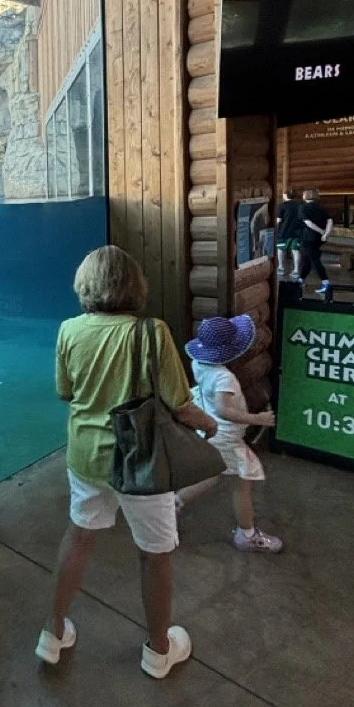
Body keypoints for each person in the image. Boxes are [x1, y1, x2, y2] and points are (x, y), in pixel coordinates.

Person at [37, 246, 218, 680]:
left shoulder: (68, 330)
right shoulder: (152, 332)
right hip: (142, 461)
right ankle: (158, 650)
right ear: (134, 285)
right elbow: (179, 403)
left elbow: (66, 392)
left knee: (79, 537)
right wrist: (210, 427)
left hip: (86, 456)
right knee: (155, 554)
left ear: (85, 285)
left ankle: (52, 632)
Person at [183, 315, 282, 553]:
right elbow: (223, 410)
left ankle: (173, 504)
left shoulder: (198, 362)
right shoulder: (223, 378)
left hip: (210, 429)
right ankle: (246, 534)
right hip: (224, 435)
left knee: (214, 476)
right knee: (241, 482)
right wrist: (257, 419)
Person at [299, 188, 334, 295]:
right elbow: (330, 221)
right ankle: (301, 279)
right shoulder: (320, 208)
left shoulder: (303, 207)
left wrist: (321, 231)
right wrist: (325, 234)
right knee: (308, 260)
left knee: (314, 260)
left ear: (306, 196)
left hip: (308, 237)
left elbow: (308, 223)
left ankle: (325, 282)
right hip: (319, 239)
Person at [276, 189, 303, 280]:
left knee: (280, 250)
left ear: (285, 195)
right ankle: (296, 270)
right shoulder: (300, 205)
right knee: (295, 251)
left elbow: (278, 220)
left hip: (283, 232)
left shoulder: (282, 206)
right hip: (297, 232)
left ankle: (281, 268)